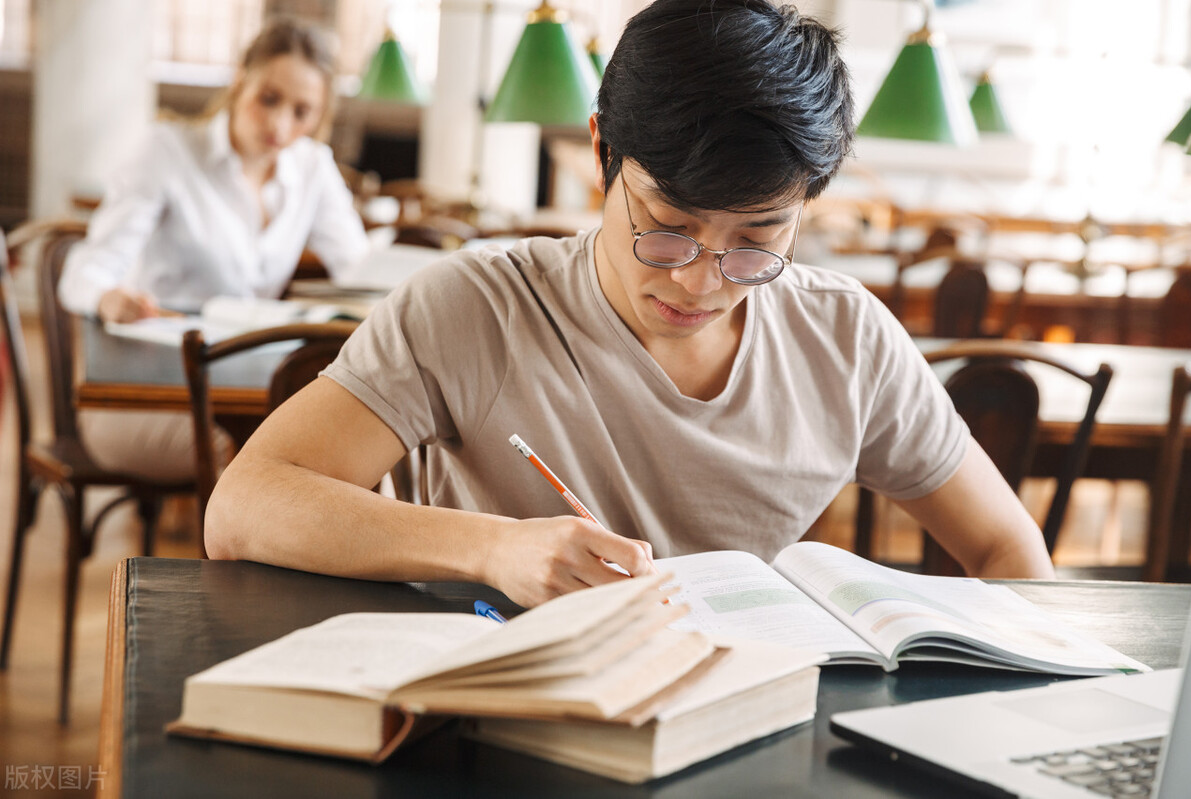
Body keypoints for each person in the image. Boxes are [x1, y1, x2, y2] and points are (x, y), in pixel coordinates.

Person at [206, 0, 1055, 607]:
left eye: (759, 240)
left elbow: (1006, 546)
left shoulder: (849, 340)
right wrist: (496, 547)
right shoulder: (476, 308)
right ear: (602, 151)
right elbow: (245, 506)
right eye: (667, 225)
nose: (700, 279)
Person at [57, 17, 369, 481]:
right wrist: (109, 298)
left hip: (250, 391)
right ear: (240, 80)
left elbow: (362, 269)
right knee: (261, 466)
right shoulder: (167, 151)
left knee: (341, 453)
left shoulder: (312, 168)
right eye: (269, 99)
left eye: (302, 112)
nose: (281, 124)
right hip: (143, 392)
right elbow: (84, 270)